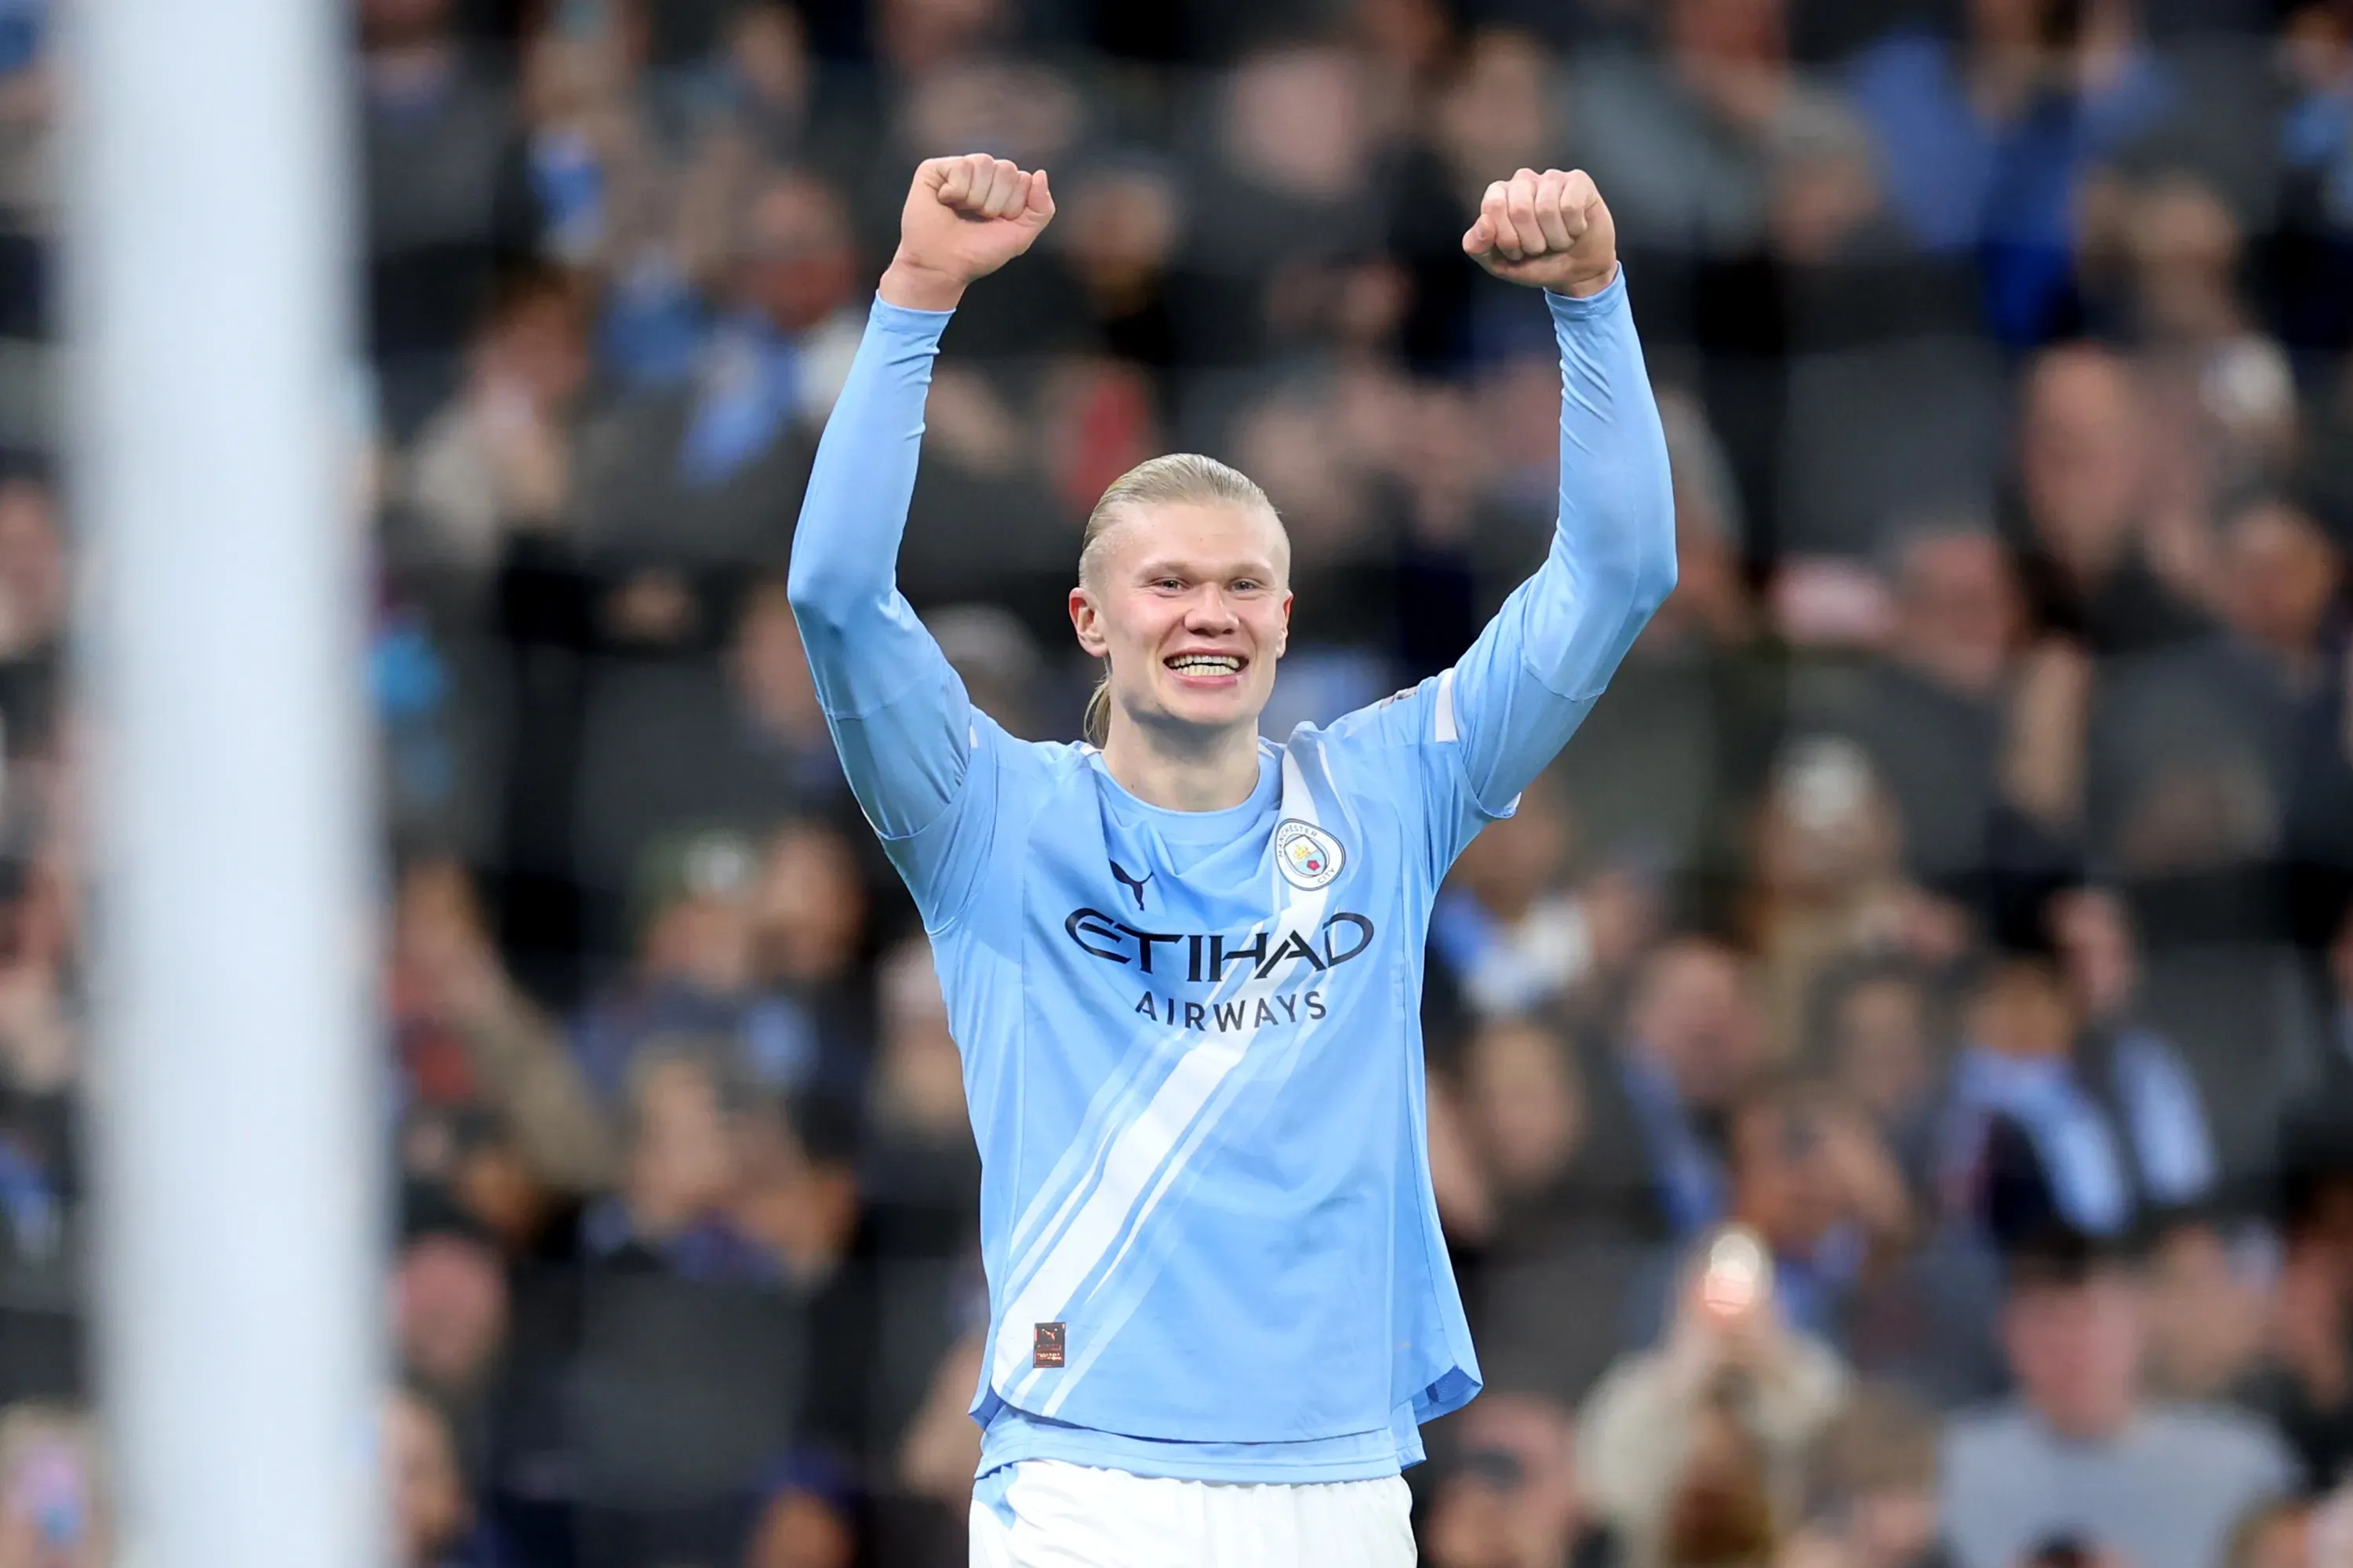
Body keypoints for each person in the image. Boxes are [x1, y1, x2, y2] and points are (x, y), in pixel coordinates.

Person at [787, 153, 1673, 1563]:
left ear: (1284, 612)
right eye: (1171, 581)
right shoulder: (990, 820)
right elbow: (836, 592)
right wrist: (916, 294)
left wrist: (1590, 298)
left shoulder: (1390, 790)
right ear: (1090, 617)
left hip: (1339, 1486)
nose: (1212, 612)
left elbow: (1619, 574)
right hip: (1086, 1484)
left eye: (1244, 582)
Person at [1939, 1228, 2298, 1568]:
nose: (2070, 1345)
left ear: (2139, 1321)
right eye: (2047, 1320)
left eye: (2088, 1317)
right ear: (2006, 1332)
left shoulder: (2240, 1466)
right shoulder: (1946, 1469)